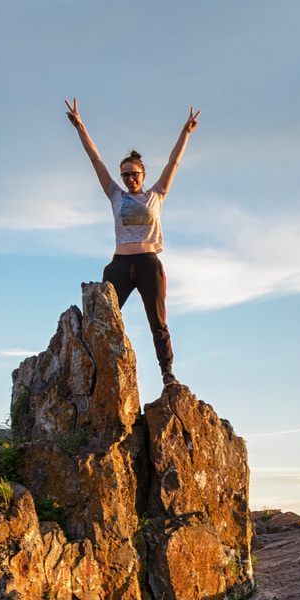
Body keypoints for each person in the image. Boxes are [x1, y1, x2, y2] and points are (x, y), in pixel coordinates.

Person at [65, 99, 199, 388]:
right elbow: (95, 160)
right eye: (124, 174)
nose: (128, 178)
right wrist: (80, 126)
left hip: (149, 264)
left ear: (143, 175)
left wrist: (185, 133)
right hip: (119, 266)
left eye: (133, 174)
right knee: (100, 318)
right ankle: (91, 374)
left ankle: (167, 374)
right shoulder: (115, 194)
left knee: (158, 323)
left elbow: (173, 162)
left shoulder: (156, 194)